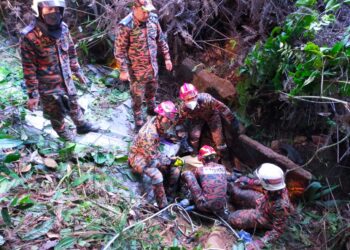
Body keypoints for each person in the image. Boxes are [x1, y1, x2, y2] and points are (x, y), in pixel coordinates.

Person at [20, 0, 99, 141]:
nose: (53, 13)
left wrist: (77, 71)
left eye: (56, 9)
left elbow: (70, 51)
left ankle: (81, 125)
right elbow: (28, 68)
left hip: (66, 78)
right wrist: (33, 94)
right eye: (49, 9)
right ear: (39, 10)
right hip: (48, 85)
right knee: (56, 113)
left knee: (73, 102)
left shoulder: (63, 28)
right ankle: (66, 137)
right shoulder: (29, 36)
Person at [114, 0, 173, 131]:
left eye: (149, 11)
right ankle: (138, 117)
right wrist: (123, 70)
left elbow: (161, 39)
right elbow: (119, 51)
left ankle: (151, 109)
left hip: (152, 68)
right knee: (137, 97)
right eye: (144, 12)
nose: (147, 15)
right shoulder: (126, 25)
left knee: (152, 91)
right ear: (135, 8)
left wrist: (167, 57)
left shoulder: (153, 19)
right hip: (136, 71)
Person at [227, 163, 294, 250]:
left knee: (232, 218)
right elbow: (262, 183)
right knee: (236, 193)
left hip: (264, 217)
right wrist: (248, 181)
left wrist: (259, 243)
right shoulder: (277, 185)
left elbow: (277, 231)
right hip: (263, 201)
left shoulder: (281, 206)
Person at [128, 101, 180, 209]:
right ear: (160, 117)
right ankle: (163, 206)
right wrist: (169, 160)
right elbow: (152, 158)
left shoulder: (156, 121)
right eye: (167, 119)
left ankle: (170, 195)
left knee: (173, 168)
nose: (169, 123)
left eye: (171, 120)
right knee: (158, 176)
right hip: (138, 157)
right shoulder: (149, 135)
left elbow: (161, 132)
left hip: (149, 152)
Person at [178, 83, 240, 158]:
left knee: (218, 138)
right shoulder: (183, 109)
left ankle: (224, 155)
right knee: (194, 136)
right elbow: (180, 120)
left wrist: (232, 119)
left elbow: (222, 107)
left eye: (193, 97)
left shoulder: (206, 99)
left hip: (211, 116)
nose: (192, 100)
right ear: (183, 100)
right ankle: (194, 152)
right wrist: (180, 131)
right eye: (188, 99)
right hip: (196, 119)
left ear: (197, 95)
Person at [181, 145, 227, 215]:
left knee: (188, 174)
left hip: (204, 206)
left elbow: (194, 183)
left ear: (202, 159)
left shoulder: (200, 170)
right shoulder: (223, 168)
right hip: (221, 206)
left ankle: (188, 201)